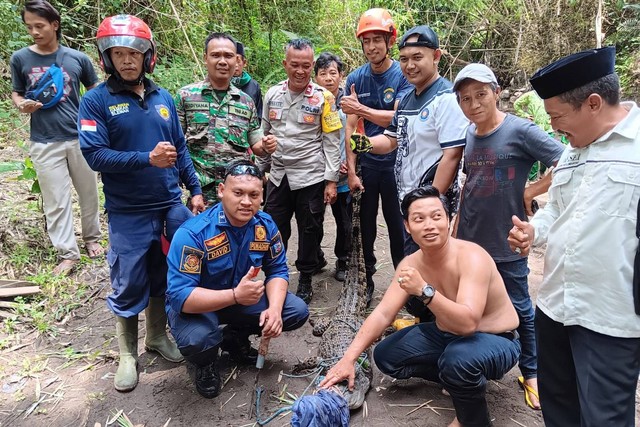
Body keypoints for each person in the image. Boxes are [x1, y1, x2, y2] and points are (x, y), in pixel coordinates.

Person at [508, 46, 640, 427]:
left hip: (611, 317)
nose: (554, 128)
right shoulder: (573, 152)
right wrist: (535, 232)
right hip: (555, 305)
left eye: (558, 117)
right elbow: (557, 209)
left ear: (594, 103)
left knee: (604, 418)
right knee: (559, 406)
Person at [320, 186, 520, 427]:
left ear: (449, 220)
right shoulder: (410, 263)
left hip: (495, 338)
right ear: (407, 226)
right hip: (448, 334)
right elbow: (384, 313)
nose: (429, 225)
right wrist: (348, 359)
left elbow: (468, 324)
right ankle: (461, 378)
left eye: (437, 216)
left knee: (459, 360)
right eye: (419, 219)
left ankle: (471, 419)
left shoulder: (472, 257)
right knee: (386, 356)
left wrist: (424, 291)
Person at [78, 15, 204, 392]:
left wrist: (194, 188)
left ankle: (157, 337)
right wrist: (145, 158)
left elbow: (179, 147)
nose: (127, 61)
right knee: (128, 281)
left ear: (148, 56)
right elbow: (95, 156)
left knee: (163, 273)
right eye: (119, 54)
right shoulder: (96, 100)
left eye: (134, 53)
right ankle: (128, 355)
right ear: (107, 58)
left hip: (168, 204)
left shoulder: (163, 97)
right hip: (127, 211)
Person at [452, 63, 565, 411]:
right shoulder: (470, 134)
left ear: (496, 93)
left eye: (481, 95)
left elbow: (565, 161)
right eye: (465, 99)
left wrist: (531, 190)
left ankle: (531, 373)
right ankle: (479, 366)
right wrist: (456, 227)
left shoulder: (521, 130)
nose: (473, 105)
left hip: (507, 238)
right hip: (470, 238)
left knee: (520, 308)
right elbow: (469, 182)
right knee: (474, 304)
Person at [166, 160, 309, 398]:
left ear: (262, 196)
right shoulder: (193, 233)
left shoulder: (265, 226)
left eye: (254, 194)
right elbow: (181, 297)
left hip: (239, 299)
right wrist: (234, 295)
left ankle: (234, 338)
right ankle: (204, 363)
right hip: (197, 306)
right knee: (199, 339)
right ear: (222, 191)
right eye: (238, 193)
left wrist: (273, 309)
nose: (246, 201)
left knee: (294, 310)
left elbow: (277, 270)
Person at [350, 25, 467, 255]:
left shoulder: (446, 98)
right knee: (413, 262)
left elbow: (452, 156)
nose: (409, 65)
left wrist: (430, 204)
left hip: (432, 209)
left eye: (417, 57)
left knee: (432, 268)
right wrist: (365, 143)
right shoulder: (406, 100)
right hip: (410, 203)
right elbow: (392, 140)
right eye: (403, 59)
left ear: (436, 57)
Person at [10, 0, 103, 276]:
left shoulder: (77, 59)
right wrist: (21, 104)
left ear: (55, 24)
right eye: (29, 27)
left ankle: (92, 239)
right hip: (44, 139)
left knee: (88, 193)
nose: (34, 32)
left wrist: (97, 124)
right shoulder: (20, 59)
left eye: (39, 26)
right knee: (56, 200)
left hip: (80, 138)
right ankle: (67, 252)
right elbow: (17, 92)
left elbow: (95, 90)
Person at [262, 39, 342, 304]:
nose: (300, 71)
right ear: (285, 64)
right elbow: (264, 133)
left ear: (312, 65)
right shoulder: (272, 94)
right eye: (294, 65)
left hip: (310, 175)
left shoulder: (324, 98)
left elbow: (332, 142)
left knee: (310, 228)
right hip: (278, 175)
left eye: (306, 66)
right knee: (273, 227)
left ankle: (306, 276)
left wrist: (331, 181)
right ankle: (275, 273)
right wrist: (262, 164)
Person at [342, 9, 412, 304]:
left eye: (377, 40)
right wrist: (352, 172)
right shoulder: (356, 78)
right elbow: (350, 127)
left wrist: (362, 110)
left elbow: (398, 119)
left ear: (389, 40)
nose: (371, 46)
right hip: (369, 164)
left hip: (397, 165)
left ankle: (405, 285)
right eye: (366, 41)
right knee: (365, 228)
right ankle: (366, 282)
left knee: (399, 229)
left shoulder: (402, 75)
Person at [175, 33, 276, 207]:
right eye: (216, 55)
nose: (222, 61)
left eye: (228, 56)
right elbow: (175, 143)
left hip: (237, 196)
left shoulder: (246, 102)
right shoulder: (186, 97)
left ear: (237, 61)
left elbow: (256, 145)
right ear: (205, 58)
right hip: (200, 194)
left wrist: (266, 146)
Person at [314, 52, 351, 282]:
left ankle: (344, 260)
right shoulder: (310, 101)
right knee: (313, 221)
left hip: (345, 177)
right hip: (317, 174)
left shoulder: (349, 103)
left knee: (345, 223)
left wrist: (350, 161)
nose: (328, 78)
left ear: (341, 75)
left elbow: (356, 135)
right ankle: (315, 258)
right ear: (315, 77)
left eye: (333, 73)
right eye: (323, 73)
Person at [232, 41, 263, 120]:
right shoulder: (222, 83)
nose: (235, 65)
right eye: (233, 61)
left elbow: (259, 114)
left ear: (244, 63)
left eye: (238, 61)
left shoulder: (254, 86)